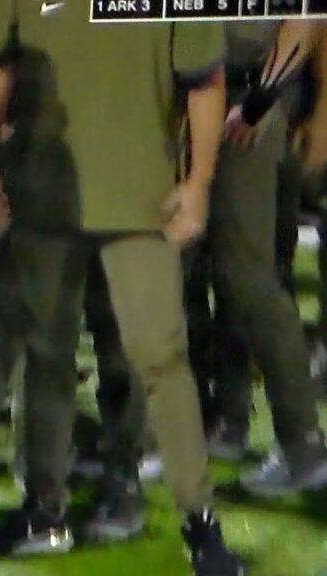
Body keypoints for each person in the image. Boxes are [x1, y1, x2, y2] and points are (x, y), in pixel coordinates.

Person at [0, 1, 245, 573]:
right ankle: (44, 513)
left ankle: (199, 524)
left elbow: (204, 78)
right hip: (45, 194)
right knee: (46, 357)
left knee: (159, 357)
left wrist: (198, 184)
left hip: (141, 201)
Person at [191, 22, 327, 498]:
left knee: (247, 274)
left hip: (251, 91)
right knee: (191, 264)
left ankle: (302, 447)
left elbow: (309, 16)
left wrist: (265, 98)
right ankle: (223, 420)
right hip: (187, 84)